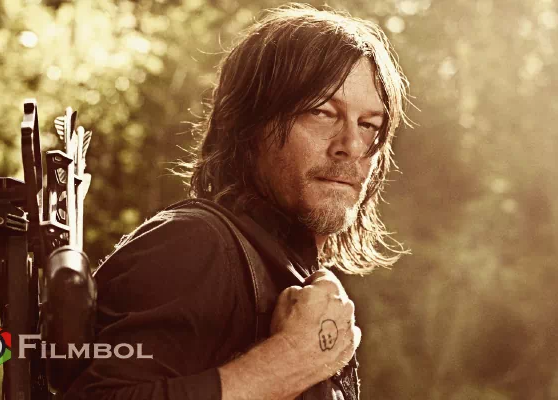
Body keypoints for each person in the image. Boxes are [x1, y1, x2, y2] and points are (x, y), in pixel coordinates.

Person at [64, 3, 409, 399]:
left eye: (369, 125)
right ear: (248, 125)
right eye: (321, 112)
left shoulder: (281, 266)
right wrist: (284, 365)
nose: (351, 145)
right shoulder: (193, 245)